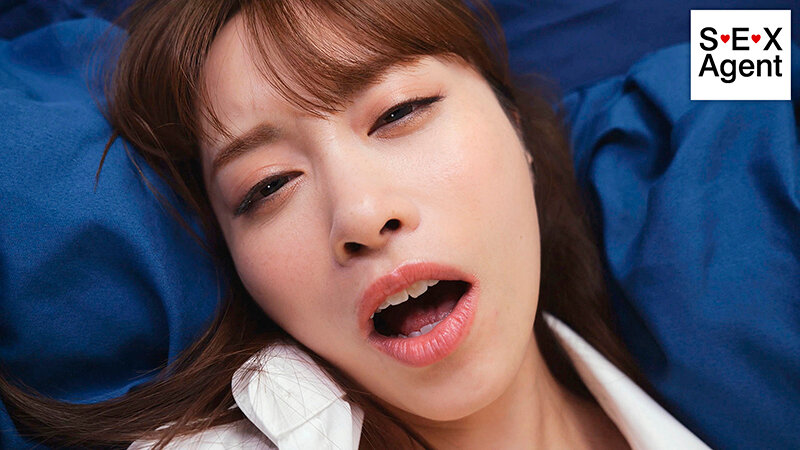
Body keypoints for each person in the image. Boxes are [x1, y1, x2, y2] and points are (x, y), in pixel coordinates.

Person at [0, 0, 712, 448]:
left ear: (516, 127)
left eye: (399, 112)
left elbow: (755, 50)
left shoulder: (728, 367)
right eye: (268, 186)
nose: (363, 215)